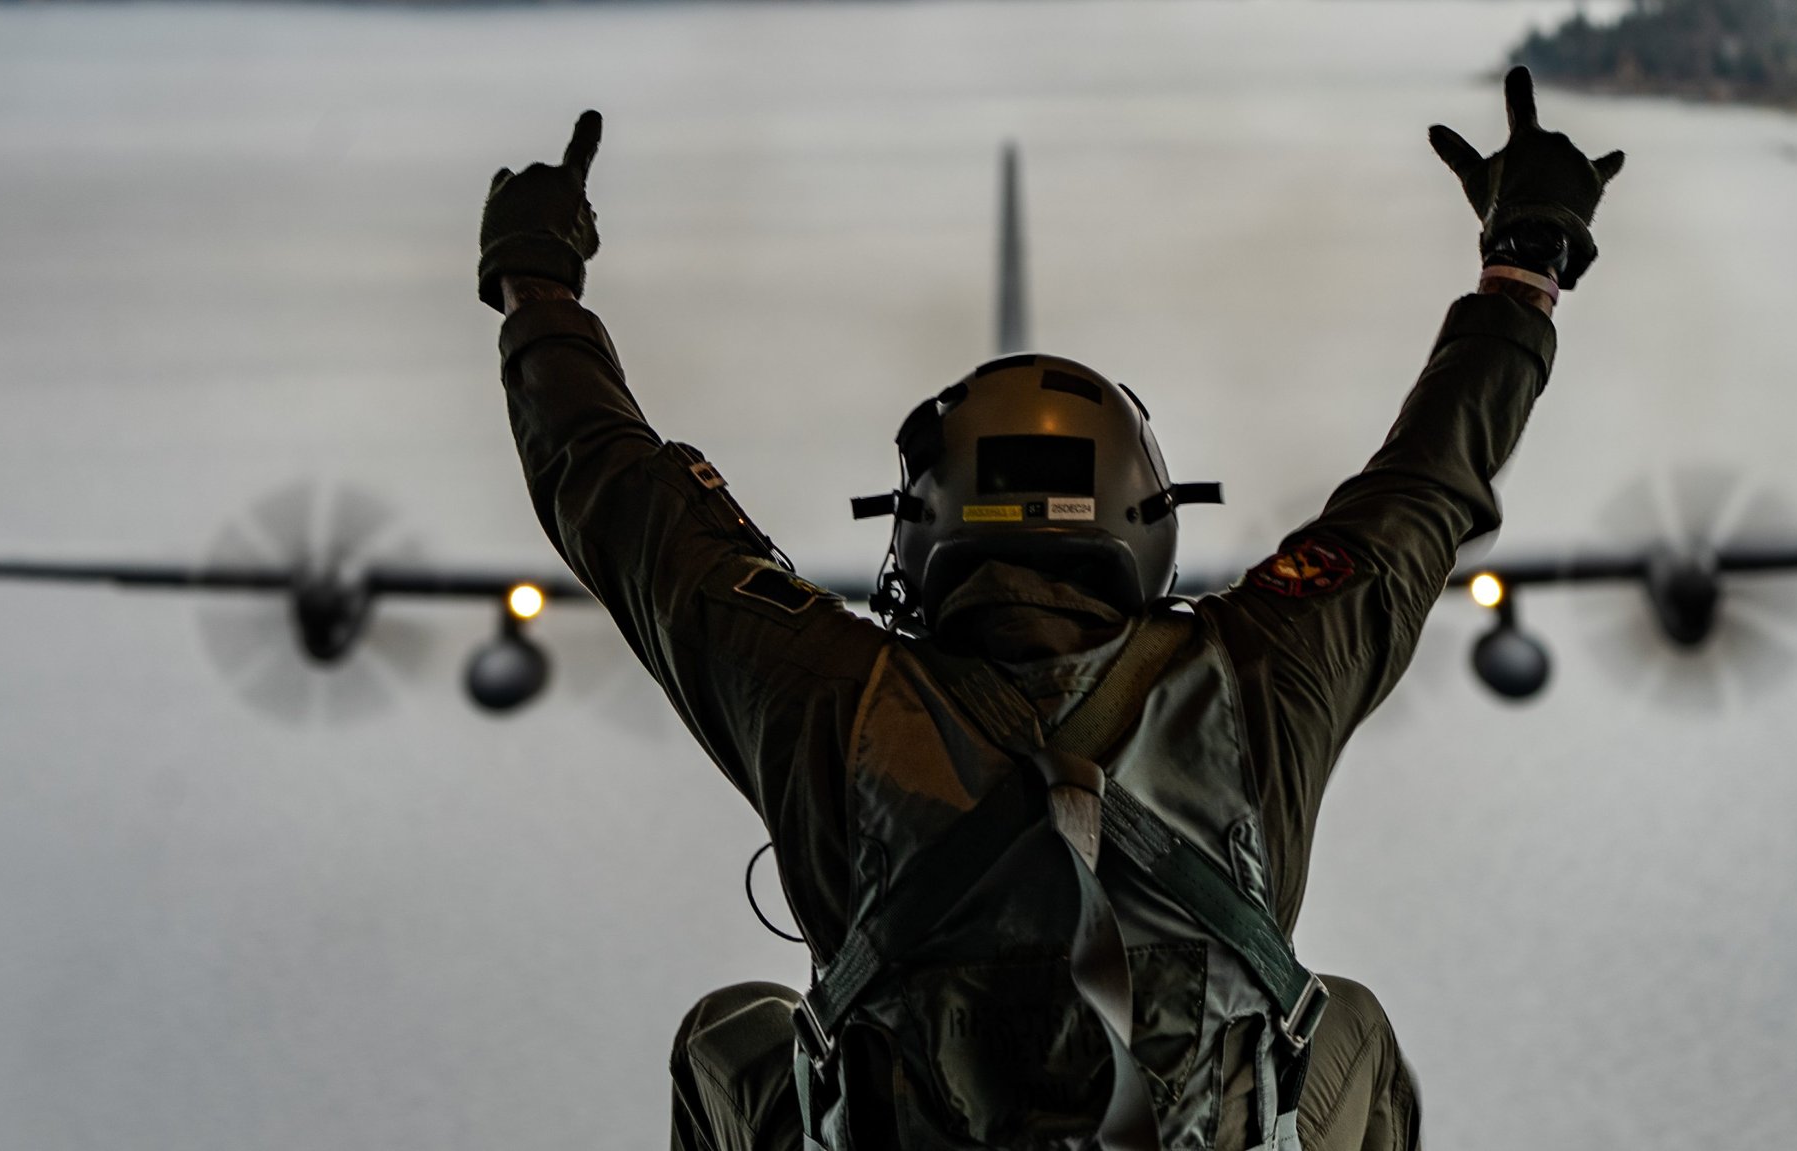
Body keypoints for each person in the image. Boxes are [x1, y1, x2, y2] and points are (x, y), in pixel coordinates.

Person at [476, 66, 1620, 1151]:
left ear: (926, 520)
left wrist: (539, 286)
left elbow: (620, 499)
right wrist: (1524, 266)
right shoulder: (1269, 666)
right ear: (1143, 511)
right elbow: (1421, 492)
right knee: (1348, 1024)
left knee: (729, 1031)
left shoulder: (825, 690)